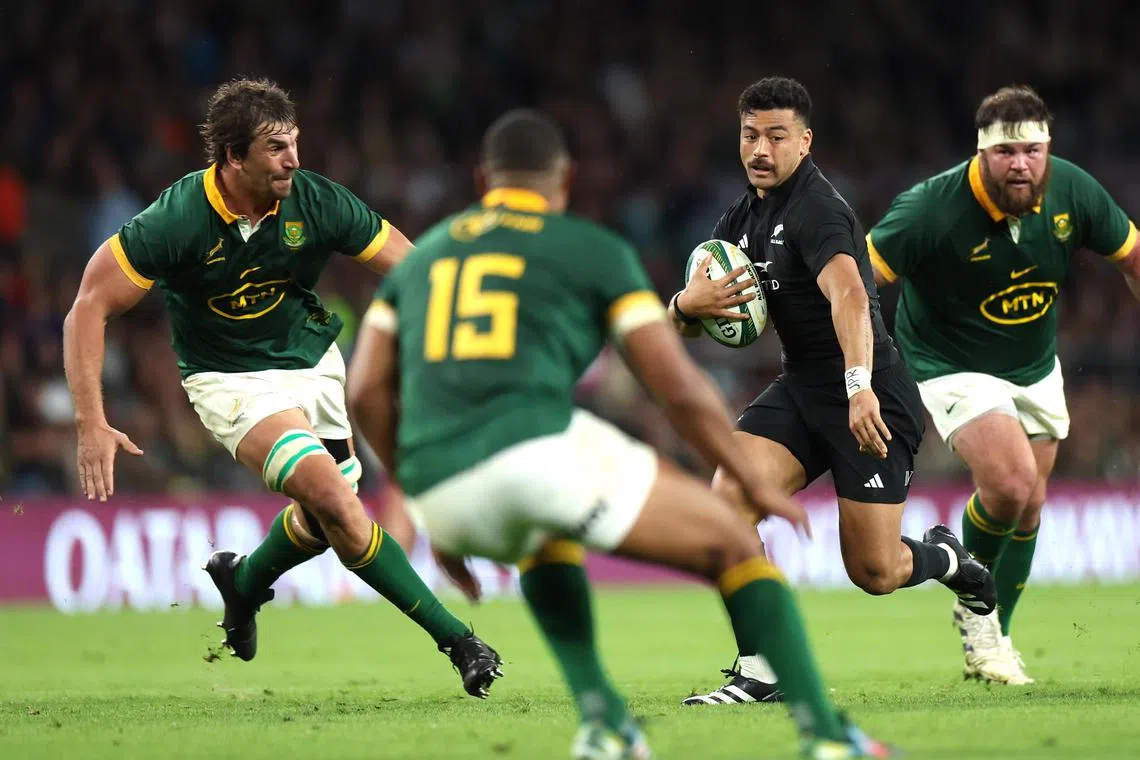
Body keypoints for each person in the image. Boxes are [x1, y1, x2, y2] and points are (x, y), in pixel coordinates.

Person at [346, 108, 897, 759]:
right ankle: (829, 738)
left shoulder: (425, 254)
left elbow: (364, 391)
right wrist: (749, 477)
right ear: (565, 180)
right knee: (730, 539)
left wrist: (418, 493)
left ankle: (606, 725)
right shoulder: (590, 249)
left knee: (545, 544)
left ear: (481, 178)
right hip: (531, 451)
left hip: (441, 486)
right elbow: (678, 388)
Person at [61, 77, 502, 698]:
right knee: (337, 500)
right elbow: (87, 307)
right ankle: (460, 642)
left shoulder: (315, 200)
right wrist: (90, 421)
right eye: (275, 148)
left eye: (294, 144)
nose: (293, 159)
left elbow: (411, 266)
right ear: (232, 158)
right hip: (227, 379)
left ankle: (243, 586)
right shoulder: (177, 219)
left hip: (313, 362)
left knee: (327, 520)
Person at [669, 76, 996, 707]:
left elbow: (849, 294)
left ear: (805, 141)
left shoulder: (818, 210)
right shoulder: (740, 218)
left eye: (775, 136)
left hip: (870, 393)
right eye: (749, 135)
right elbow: (685, 319)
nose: (760, 149)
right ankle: (760, 668)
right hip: (801, 388)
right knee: (728, 500)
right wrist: (689, 301)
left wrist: (859, 387)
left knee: (875, 571)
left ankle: (950, 560)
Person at [867, 85, 1140, 685]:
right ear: (981, 153)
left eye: (1034, 150)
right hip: (946, 359)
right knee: (1012, 482)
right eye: (1007, 151)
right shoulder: (929, 210)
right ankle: (976, 609)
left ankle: (996, 638)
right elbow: (857, 284)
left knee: (1032, 503)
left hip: (1035, 363)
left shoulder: (1072, 190)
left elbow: (1132, 254)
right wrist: (859, 375)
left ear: (1049, 150)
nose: (1022, 163)